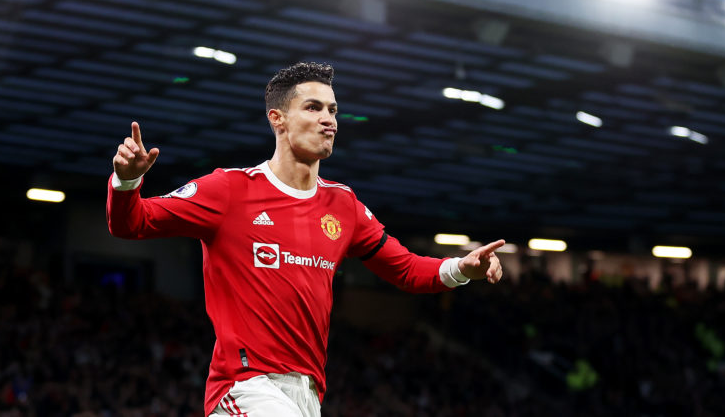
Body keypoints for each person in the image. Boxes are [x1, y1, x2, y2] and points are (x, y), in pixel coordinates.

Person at [107, 62, 504, 417]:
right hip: (245, 388)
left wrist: (463, 267)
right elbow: (133, 223)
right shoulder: (228, 189)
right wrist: (127, 180)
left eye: (332, 110)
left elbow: (407, 270)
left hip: (308, 393)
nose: (328, 119)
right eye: (313, 108)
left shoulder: (343, 205)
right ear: (277, 119)